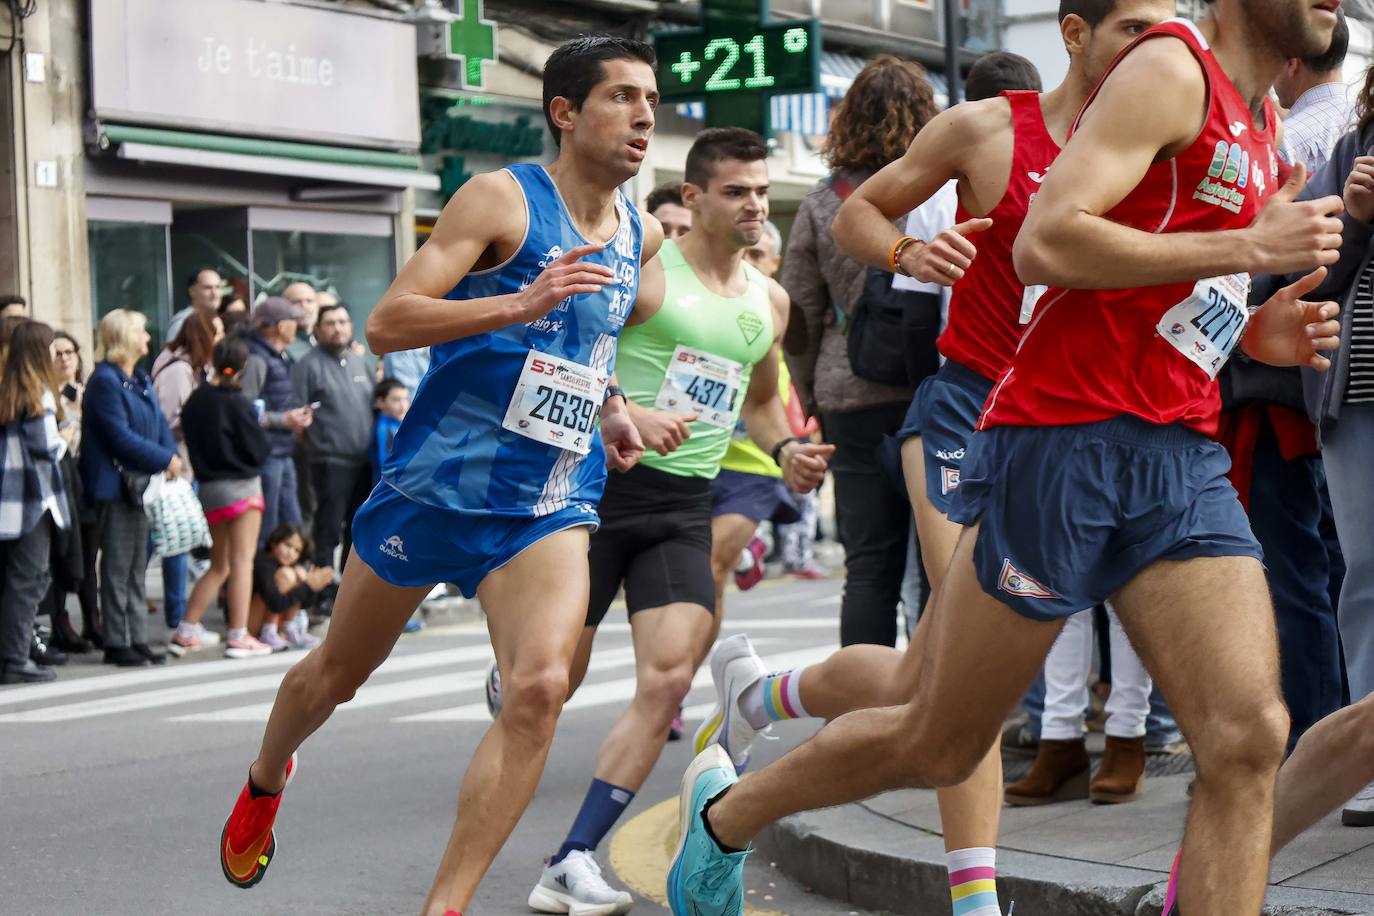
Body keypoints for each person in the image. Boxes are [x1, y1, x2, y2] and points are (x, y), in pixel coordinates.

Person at [669, 3, 1346, 914]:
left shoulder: (1262, 124)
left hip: (1181, 452)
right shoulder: (1170, 72)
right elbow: (1044, 242)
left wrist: (1256, 333)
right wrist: (1248, 244)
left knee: (1249, 736)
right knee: (940, 740)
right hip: (1060, 443)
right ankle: (727, 816)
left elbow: (1187, 296)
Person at [691, 5, 1155, 906]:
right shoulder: (989, 128)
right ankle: (976, 899)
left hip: (1064, 431)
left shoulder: (1158, 151)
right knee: (965, 677)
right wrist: (911, 247)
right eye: (1133, 25)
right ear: (1073, 31)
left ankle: (761, 696)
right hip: (962, 415)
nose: (1158, 46)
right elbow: (856, 212)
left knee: (922, 675)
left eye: (1169, 26)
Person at [217, 36, 659, 915]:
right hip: (433, 488)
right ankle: (267, 778)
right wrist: (515, 302)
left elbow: (588, 341)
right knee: (332, 677)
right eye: (622, 97)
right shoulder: (503, 199)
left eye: (651, 99)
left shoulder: (638, 231)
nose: (645, 115)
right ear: (565, 114)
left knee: (539, 688)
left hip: (547, 502)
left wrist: (611, 404)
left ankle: (444, 906)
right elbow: (386, 323)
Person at [519, 128, 829, 915]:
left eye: (761, 190)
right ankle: (516, 659)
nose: (756, 204)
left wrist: (787, 446)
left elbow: (759, 400)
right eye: (736, 191)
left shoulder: (771, 301)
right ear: (691, 199)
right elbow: (570, 351)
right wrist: (628, 410)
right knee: (548, 682)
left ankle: (572, 855)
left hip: (685, 507)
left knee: (665, 685)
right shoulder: (650, 276)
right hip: (595, 496)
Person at [1285, 62, 1374, 828]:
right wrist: (1356, 214)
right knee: (1366, 574)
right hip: (1361, 398)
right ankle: (1368, 761)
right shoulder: (1353, 147)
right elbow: (1309, 279)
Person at [80, 310, 182, 668]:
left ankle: (136, 636)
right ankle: (117, 639)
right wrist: (165, 459)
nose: (147, 338)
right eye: (141, 331)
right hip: (118, 486)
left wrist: (170, 455)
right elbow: (118, 436)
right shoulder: (104, 381)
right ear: (123, 337)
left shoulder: (138, 377)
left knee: (137, 565)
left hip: (142, 486)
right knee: (118, 566)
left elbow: (158, 425)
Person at [170, 336, 273, 659]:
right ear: (244, 366)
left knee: (220, 564)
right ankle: (238, 634)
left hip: (210, 488)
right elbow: (259, 448)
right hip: (242, 487)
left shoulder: (196, 400)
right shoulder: (238, 402)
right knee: (242, 561)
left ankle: (187, 629)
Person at [0, 321, 72, 684]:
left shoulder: (8, 388)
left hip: (9, 500)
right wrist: (66, 435)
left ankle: (11, 655)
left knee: (13, 579)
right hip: (32, 499)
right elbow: (45, 447)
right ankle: (14, 658)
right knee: (28, 579)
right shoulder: (37, 393)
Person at [150, 310, 223, 634]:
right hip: (176, 467)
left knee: (175, 541)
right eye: (215, 333)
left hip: (185, 465)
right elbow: (165, 421)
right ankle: (178, 616)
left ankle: (176, 614)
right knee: (174, 543)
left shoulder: (192, 368)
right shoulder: (178, 370)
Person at [291, 302, 375, 577]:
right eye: (330, 323)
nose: (338, 328)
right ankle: (322, 591)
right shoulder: (308, 365)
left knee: (359, 528)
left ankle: (347, 589)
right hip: (329, 461)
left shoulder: (360, 360)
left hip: (364, 461)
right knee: (327, 529)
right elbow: (296, 415)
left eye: (342, 321)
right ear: (317, 329)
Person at [42, 330, 98, 653]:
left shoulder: (88, 392)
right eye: (58, 353)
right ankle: (60, 621)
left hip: (86, 480)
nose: (64, 359)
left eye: (70, 352)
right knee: (62, 554)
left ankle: (93, 619)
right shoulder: (47, 395)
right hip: (61, 479)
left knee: (89, 554)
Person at [239, 297, 313, 542]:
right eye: (293, 321)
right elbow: (245, 410)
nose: (297, 326)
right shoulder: (256, 358)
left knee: (290, 524)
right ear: (281, 326)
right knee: (268, 527)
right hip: (266, 453)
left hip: (281, 450)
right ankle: (265, 578)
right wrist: (284, 420)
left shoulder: (277, 355)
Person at [249, 524, 328, 652]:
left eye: (297, 550)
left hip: (271, 617)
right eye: (287, 545)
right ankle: (269, 632)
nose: (291, 553)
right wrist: (307, 586)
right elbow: (276, 603)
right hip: (251, 623)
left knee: (297, 573)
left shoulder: (290, 565)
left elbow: (305, 604)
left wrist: (311, 584)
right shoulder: (263, 563)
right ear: (274, 542)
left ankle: (289, 628)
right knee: (286, 574)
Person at [166, 268, 223, 343]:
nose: (214, 293)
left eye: (218, 287)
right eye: (208, 288)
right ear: (192, 291)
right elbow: (172, 353)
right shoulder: (183, 323)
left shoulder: (219, 320)